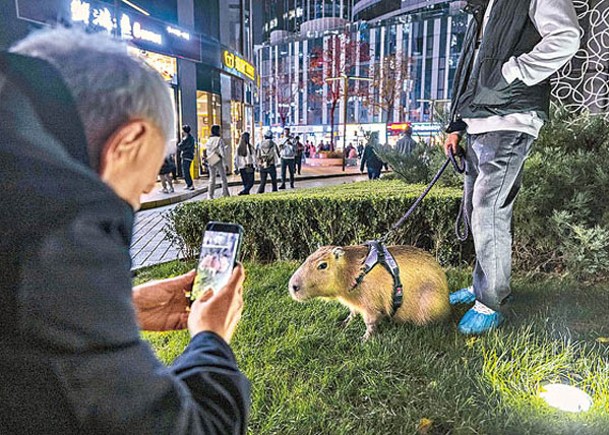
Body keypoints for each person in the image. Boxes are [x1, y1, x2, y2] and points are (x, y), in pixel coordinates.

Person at [0, 28, 250, 433]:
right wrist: (211, 341)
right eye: (148, 176)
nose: (147, 190)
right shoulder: (57, 237)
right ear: (130, 141)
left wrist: (121, 307)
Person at [444, 0, 579, 334]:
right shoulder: (483, 7)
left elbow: (566, 36)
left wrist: (515, 71)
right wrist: (456, 125)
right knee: (479, 211)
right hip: (479, 121)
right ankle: (482, 289)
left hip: (511, 118)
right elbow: (472, 71)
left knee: (489, 210)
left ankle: (490, 302)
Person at [205, 124, 231, 199]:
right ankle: (225, 194)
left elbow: (207, 151)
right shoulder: (219, 140)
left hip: (211, 159)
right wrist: (225, 163)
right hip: (218, 158)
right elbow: (222, 152)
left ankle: (210, 195)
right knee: (223, 178)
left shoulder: (209, 140)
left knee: (212, 178)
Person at [177, 124, 195, 190]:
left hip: (187, 156)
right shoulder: (189, 138)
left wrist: (179, 145)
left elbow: (181, 146)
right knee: (185, 171)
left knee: (186, 171)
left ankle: (190, 184)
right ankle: (188, 184)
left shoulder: (187, 139)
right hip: (187, 156)